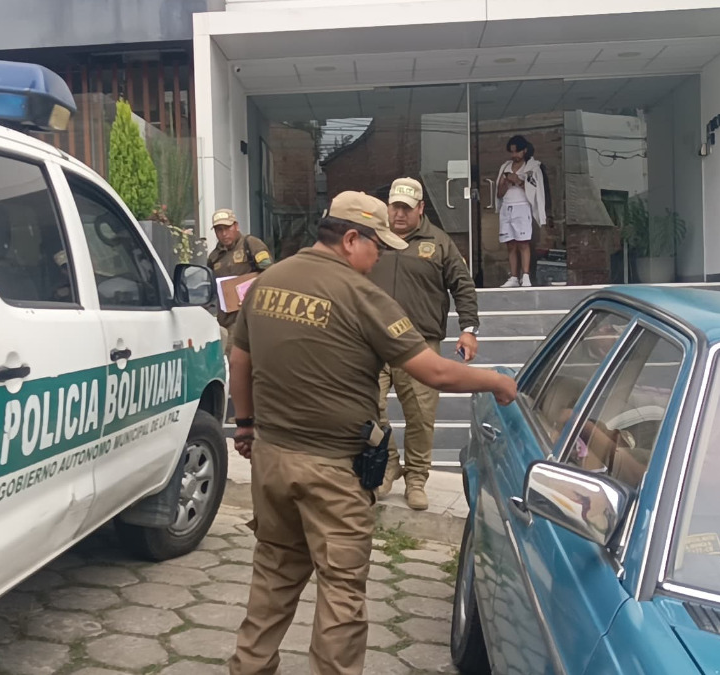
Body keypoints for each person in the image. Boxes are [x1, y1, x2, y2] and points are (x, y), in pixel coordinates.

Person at [226, 191, 518, 675]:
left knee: (274, 575)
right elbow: (435, 373)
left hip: (272, 460)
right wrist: (498, 382)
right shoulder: (363, 297)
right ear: (351, 238)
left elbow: (240, 360)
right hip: (333, 473)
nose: (380, 256)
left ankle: (249, 668)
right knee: (341, 595)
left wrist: (246, 424)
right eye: (376, 246)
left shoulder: (266, 281)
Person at [368, 177, 480, 510]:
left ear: (420, 208)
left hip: (419, 344)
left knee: (420, 415)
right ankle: (388, 463)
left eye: (405, 208)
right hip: (373, 341)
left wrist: (468, 329)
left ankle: (416, 477)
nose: (398, 214)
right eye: (394, 207)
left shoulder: (440, 242)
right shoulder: (372, 238)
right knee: (365, 407)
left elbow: (463, 286)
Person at [205, 207, 273, 358]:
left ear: (236, 226)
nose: (224, 234)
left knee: (249, 357)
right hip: (228, 320)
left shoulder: (251, 244)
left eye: (227, 228)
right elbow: (211, 289)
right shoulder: (214, 257)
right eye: (219, 230)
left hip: (250, 314)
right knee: (232, 360)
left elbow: (269, 273)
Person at [495, 135, 547, 288]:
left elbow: (534, 191)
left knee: (523, 243)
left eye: (517, 152)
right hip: (507, 206)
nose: (514, 155)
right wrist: (506, 182)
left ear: (524, 151)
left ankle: (525, 275)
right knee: (510, 244)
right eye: (511, 152)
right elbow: (499, 193)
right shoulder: (505, 167)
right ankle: (513, 276)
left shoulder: (532, 168)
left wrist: (518, 181)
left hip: (523, 206)